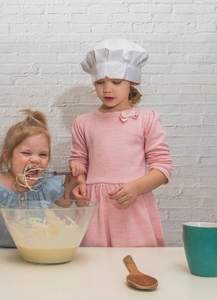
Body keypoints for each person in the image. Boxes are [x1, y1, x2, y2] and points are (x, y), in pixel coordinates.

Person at [70, 38, 172, 247]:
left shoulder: (146, 119)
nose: (107, 90)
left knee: (140, 264)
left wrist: (136, 187)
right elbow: (78, 161)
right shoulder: (83, 122)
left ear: (132, 83)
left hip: (131, 207)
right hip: (95, 208)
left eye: (116, 82)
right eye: (100, 83)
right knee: (96, 269)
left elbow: (162, 168)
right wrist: (79, 179)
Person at [0, 108, 84, 255]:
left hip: (38, 251)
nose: (35, 159)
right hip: (1, 255)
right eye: (26, 153)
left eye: (43, 154)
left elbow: (66, 203)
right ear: (8, 157)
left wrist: (70, 181)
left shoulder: (47, 183)